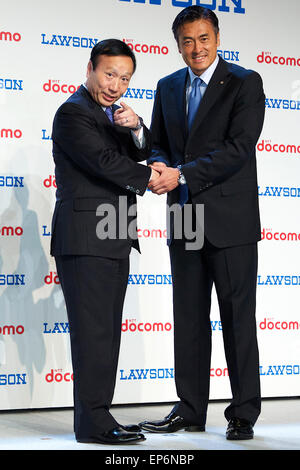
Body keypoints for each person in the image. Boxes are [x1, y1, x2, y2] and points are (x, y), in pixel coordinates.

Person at [139, 6, 265, 440]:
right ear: (177, 44)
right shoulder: (167, 86)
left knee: (237, 318)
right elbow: (158, 143)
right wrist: (157, 162)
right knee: (189, 318)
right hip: (185, 214)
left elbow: (239, 148)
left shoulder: (246, 83)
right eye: (188, 41)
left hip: (230, 219)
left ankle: (243, 412)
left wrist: (184, 174)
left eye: (204, 38)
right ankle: (190, 409)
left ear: (217, 37)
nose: (197, 48)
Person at [50, 39, 159, 445]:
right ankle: (93, 423)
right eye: (109, 74)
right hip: (86, 238)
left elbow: (144, 147)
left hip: (113, 235)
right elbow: (105, 163)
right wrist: (153, 178)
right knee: (94, 333)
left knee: (106, 333)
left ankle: (100, 417)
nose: (116, 85)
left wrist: (136, 127)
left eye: (125, 78)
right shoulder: (73, 113)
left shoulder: (113, 114)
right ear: (91, 68)